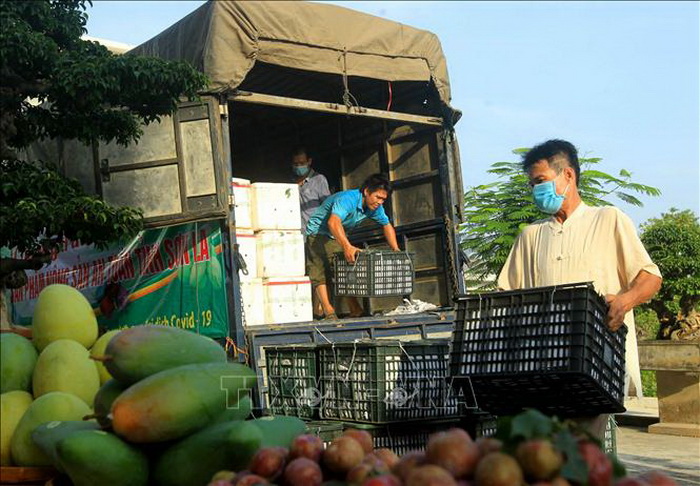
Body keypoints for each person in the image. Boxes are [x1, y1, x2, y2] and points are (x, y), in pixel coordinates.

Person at [497, 139, 662, 439]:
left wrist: (624, 302)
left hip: (594, 364)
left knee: (578, 449)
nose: (536, 190)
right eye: (532, 184)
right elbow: (505, 297)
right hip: (542, 365)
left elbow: (649, 277)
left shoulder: (608, 219)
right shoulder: (530, 236)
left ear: (568, 176)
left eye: (541, 181)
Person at [305, 173, 400, 320]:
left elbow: (386, 225)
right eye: (378, 197)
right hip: (319, 231)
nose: (380, 202)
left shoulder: (375, 207)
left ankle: (354, 308)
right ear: (367, 191)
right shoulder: (348, 199)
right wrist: (347, 246)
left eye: (383, 199)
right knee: (319, 270)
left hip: (337, 233)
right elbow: (333, 223)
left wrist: (396, 250)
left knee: (345, 269)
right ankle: (328, 310)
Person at [290, 147, 331, 231]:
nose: (298, 166)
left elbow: (327, 206)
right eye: (296, 164)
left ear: (309, 161)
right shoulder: (291, 184)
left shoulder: (319, 180)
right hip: (297, 231)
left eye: (302, 163)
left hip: (315, 231)